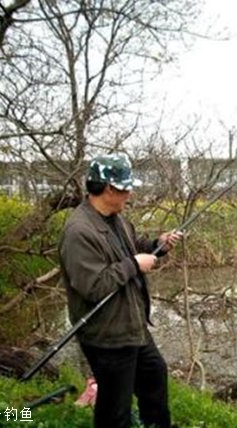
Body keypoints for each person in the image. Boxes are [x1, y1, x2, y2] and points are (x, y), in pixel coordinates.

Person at [59, 153, 182, 428]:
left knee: (154, 377)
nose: (130, 193)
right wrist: (134, 265)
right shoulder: (79, 231)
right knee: (115, 409)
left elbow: (132, 247)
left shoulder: (117, 219)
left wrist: (156, 245)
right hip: (106, 335)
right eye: (126, 188)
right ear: (108, 189)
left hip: (132, 324)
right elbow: (93, 286)